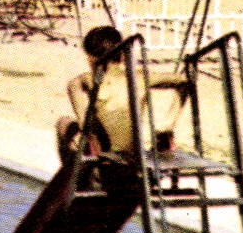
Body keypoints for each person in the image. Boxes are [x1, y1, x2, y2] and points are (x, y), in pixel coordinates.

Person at [58, 25, 185, 167]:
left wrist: (83, 125)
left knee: (63, 123)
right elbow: (186, 81)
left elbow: (72, 85)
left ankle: (78, 176)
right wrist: (168, 123)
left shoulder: (89, 79)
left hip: (106, 161)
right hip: (135, 158)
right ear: (122, 56)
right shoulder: (140, 77)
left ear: (90, 58)